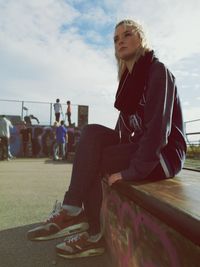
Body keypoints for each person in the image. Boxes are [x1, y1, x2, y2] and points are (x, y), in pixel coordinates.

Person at [27, 19, 186, 259]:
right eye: (115, 38)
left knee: (101, 157)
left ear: (140, 39)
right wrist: (106, 145)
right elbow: (123, 128)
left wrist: (132, 171)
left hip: (165, 155)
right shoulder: (128, 82)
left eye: (127, 34)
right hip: (142, 147)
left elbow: (157, 132)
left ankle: (92, 234)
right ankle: (73, 208)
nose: (120, 40)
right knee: (91, 132)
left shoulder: (158, 72)